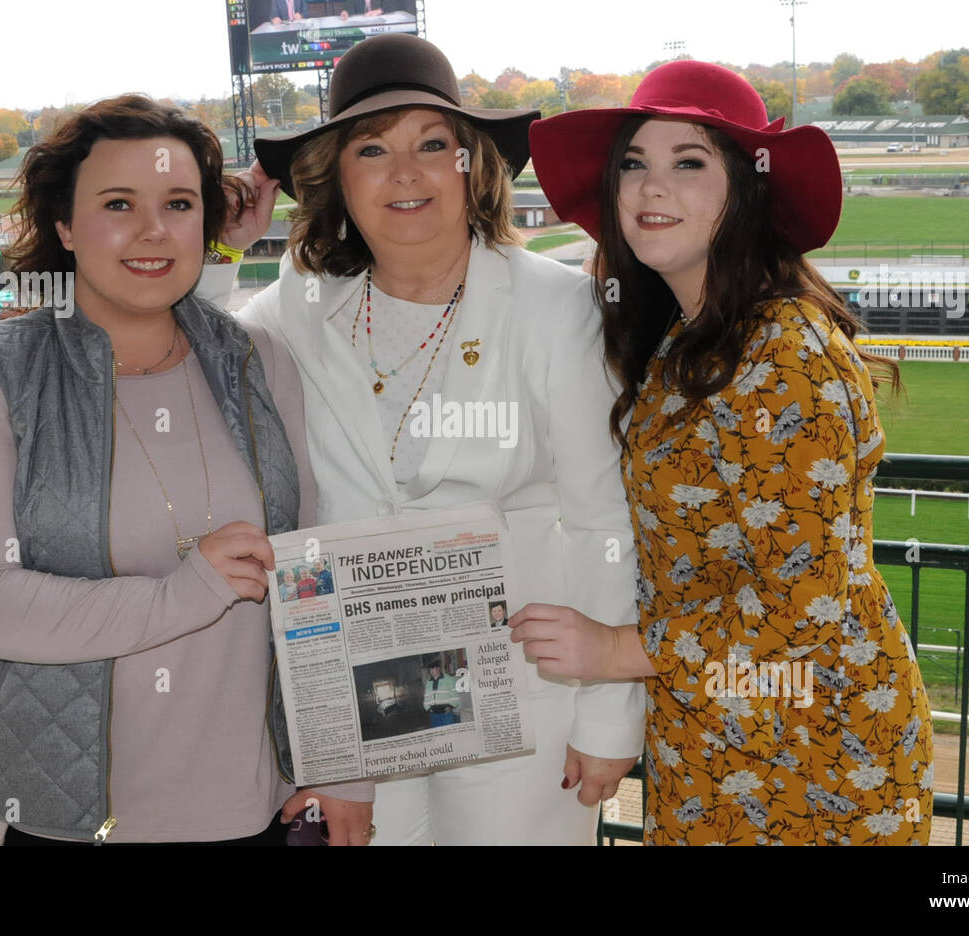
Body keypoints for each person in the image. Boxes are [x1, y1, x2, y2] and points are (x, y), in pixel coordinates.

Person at [198, 32, 644, 846]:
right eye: (372, 149)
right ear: (339, 177)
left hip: (523, 696)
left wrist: (611, 716)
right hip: (360, 708)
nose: (405, 173)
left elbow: (601, 519)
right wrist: (224, 249)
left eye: (433, 145)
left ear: (472, 166)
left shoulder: (556, 308)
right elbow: (192, 360)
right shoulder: (297, 309)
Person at [0, 94, 374, 846]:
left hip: (253, 808)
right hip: (68, 818)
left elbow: (308, 570)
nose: (154, 230)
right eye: (118, 203)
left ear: (205, 223)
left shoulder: (258, 360)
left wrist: (343, 765)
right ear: (64, 224)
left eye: (179, 203)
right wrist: (180, 595)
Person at [515, 60, 934, 845]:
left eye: (688, 163)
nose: (649, 186)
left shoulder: (786, 352)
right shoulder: (692, 336)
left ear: (747, 189)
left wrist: (616, 649)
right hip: (718, 732)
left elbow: (807, 603)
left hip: (814, 750)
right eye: (633, 163)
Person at [422, 659, 460, 727]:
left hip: (446, 714)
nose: (431, 672)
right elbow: (426, 696)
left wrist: (450, 706)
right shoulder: (429, 682)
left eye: (432, 669)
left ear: (438, 669)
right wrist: (428, 708)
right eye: (430, 670)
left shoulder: (448, 679)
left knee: (448, 733)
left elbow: (455, 695)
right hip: (433, 714)